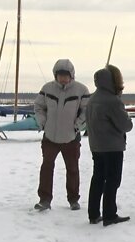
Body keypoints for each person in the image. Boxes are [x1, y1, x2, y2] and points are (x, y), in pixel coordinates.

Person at [33, 59, 90, 211]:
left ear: (72, 75)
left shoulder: (81, 90)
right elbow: (38, 106)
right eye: (60, 75)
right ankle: (44, 199)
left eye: (66, 75)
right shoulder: (47, 88)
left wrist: (77, 126)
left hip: (71, 138)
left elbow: (86, 111)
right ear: (55, 75)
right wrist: (43, 123)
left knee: (72, 169)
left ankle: (73, 199)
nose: (63, 78)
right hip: (50, 137)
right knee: (46, 167)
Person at [86, 65, 133, 226]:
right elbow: (126, 125)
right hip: (112, 147)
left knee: (98, 178)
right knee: (113, 180)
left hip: (96, 146)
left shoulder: (92, 99)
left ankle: (93, 213)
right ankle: (109, 214)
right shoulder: (112, 101)